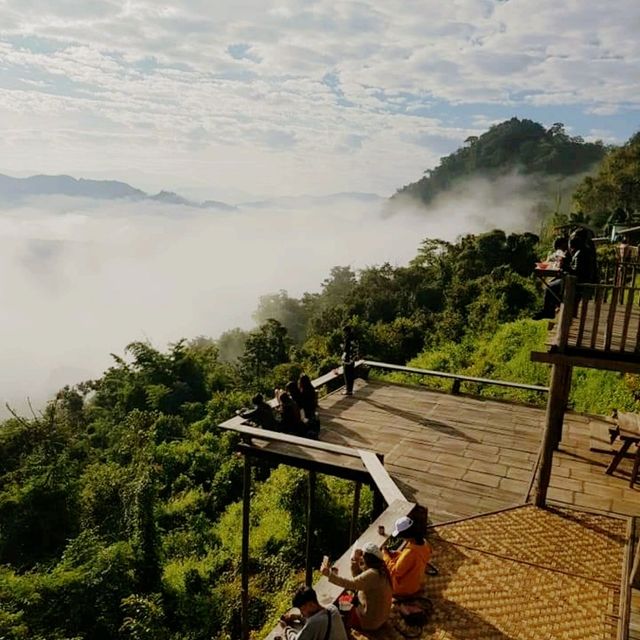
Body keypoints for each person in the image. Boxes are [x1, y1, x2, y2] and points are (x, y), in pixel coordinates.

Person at [321, 542, 392, 631]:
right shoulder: (381, 569)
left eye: (362, 555)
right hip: (380, 618)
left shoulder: (373, 574)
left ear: (368, 559)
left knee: (337, 604)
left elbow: (351, 583)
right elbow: (359, 581)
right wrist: (354, 562)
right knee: (347, 596)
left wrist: (329, 574)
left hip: (369, 621)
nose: (361, 557)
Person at [383, 516, 432, 598]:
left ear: (406, 535)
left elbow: (395, 571)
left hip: (404, 588)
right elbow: (411, 559)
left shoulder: (410, 552)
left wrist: (385, 555)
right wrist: (396, 554)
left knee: (381, 574)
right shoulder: (424, 543)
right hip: (416, 583)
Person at [279, 584, 348, 640]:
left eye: (302, 609)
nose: (302, 613)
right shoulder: (332, 608)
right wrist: (298, 617)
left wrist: (285, 628)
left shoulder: (313, 623)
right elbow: (319, 622)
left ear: (311, 604)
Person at [340, 325, 359, 396]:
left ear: (346, 331)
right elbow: (356, 348)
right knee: (351, 374)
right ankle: (350, 389)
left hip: (347, 360)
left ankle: (348, 390)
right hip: (353, 359)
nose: (344, 333)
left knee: (346, 374)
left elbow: (346, 350)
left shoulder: (347, 339)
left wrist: (342, 357)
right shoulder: (355, 338)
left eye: (344, 332)